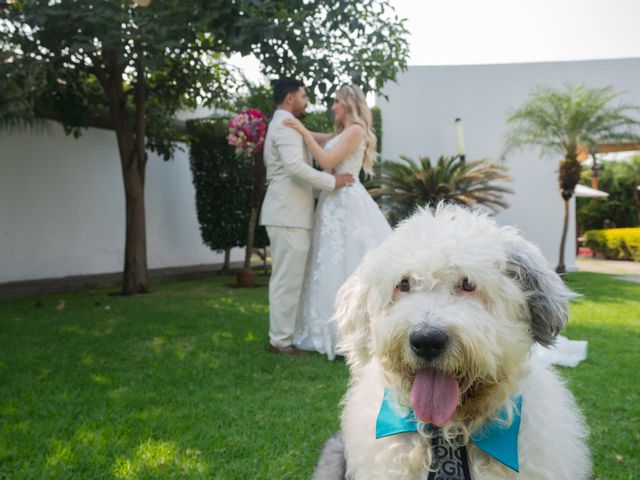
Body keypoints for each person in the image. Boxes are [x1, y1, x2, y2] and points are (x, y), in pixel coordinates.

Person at [283, 84, 392, 360]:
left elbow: (327, 158)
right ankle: (326, 327)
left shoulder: (355, 130)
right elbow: (326, 139)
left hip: (346, 202)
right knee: (327, 261)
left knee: (345, 260)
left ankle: (349, 334)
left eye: (336, 102)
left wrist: (303, 133)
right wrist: (300, 128)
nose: (332, 107)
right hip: (334, 201)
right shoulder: (344, 131)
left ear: (348, 104)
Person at [260, 78, 355, 356]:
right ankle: (280, 341)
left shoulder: (287, 124)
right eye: (303, 96)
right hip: (287, 213)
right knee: (285, 281)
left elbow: (316, 141)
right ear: (290, 98)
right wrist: (332, 181)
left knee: (288, 279)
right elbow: (295, 168)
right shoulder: (286, 126)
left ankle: (282, 337)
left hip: (290, 213)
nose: (307, 101)